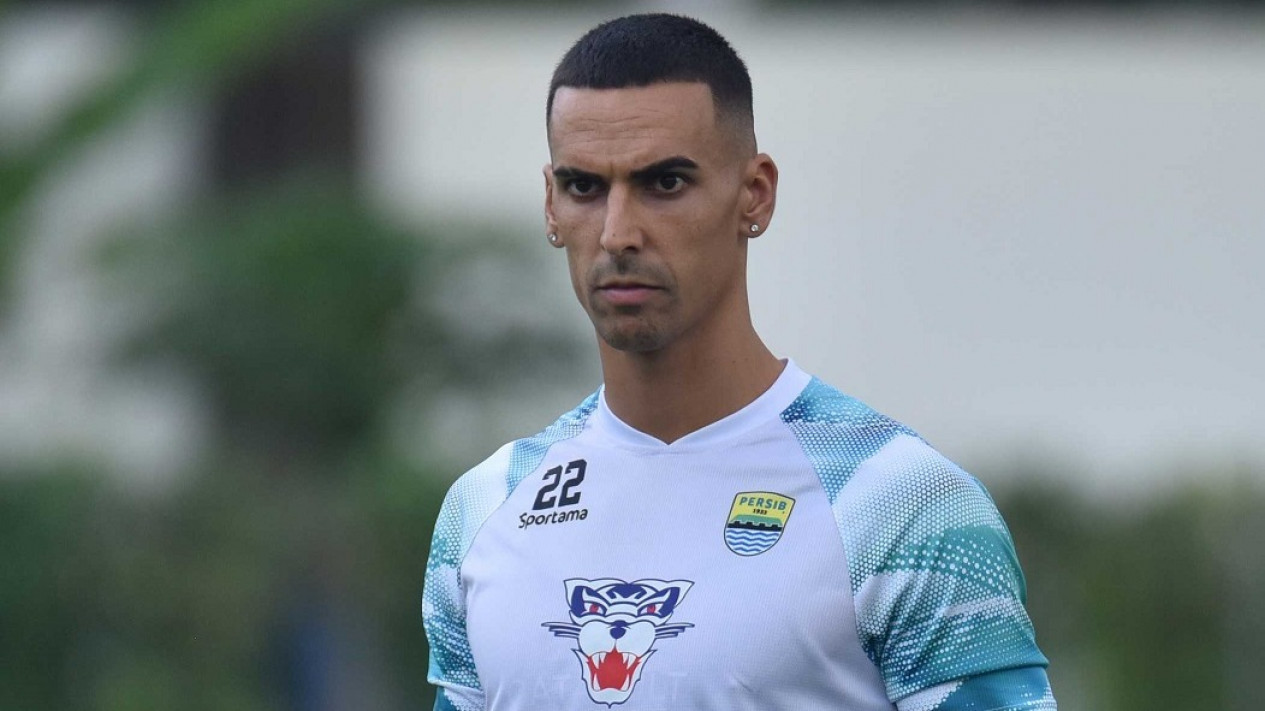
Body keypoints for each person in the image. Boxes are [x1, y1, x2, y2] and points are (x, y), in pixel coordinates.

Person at [423, 13, 1055, 711]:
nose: (617, 233)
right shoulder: (484, 509)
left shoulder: (902, 504)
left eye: (665, 183)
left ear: (754, 194)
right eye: (584, 188)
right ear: (550, 205)